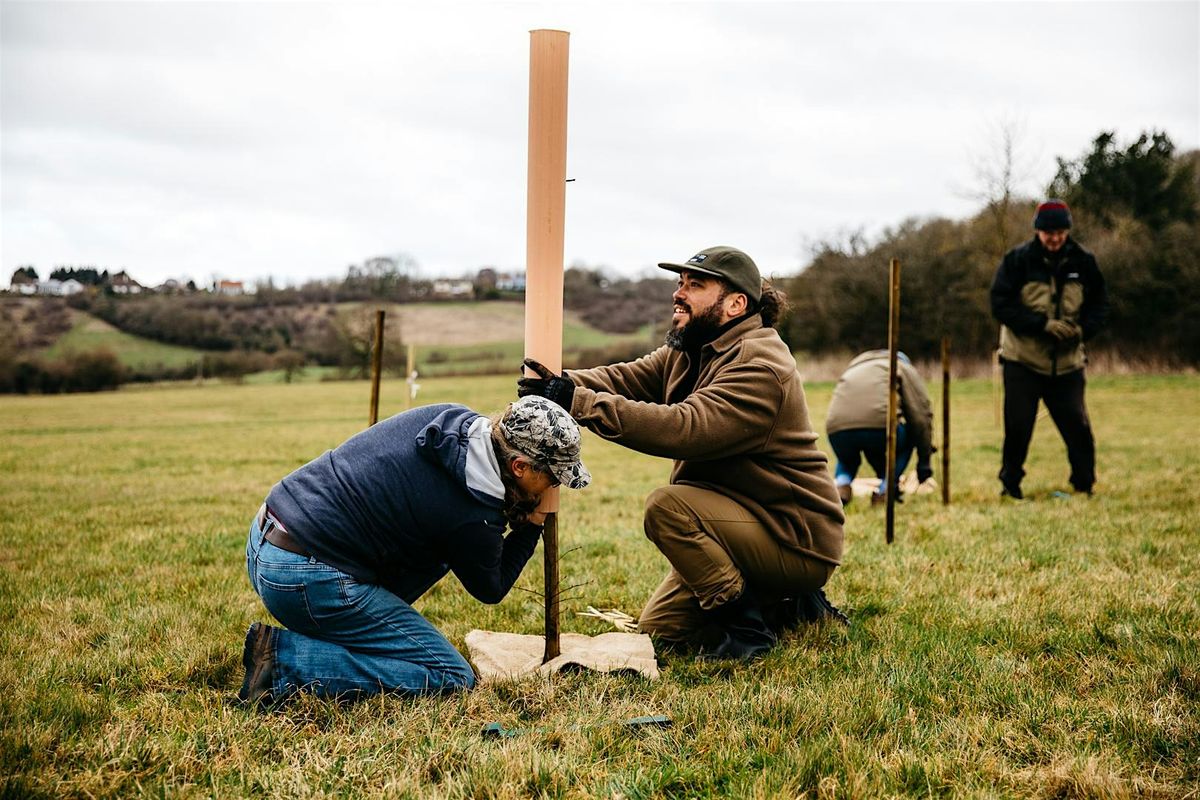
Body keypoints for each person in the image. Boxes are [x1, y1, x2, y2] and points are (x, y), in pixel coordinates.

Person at [519, 245, 846, 661]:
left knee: (667, 508)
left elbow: (685, 428)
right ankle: (788, 606)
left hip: (793, 536)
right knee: (663, 630)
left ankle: (750, 633)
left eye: (695, 285)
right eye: (680, 282)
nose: (679, 293)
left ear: (735, 304)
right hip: (736, 521)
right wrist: (557, 383)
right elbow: (624, 378)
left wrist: (578, 403)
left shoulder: (761, 364)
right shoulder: (690, 348)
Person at [237, 395, 590, 707]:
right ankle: (283, 661)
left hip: (268, 536)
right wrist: (530, 527)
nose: (555, 486)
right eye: (554, 478)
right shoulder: (470, 514)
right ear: (519, 467)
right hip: (305, 577)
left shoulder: (452, 423)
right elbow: (491, 587)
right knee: (450, 675)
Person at [990, 199, 1108, 500]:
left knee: (1077, 426)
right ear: (1037, 232)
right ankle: (1010, 485)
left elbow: (1100, 306)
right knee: (1018, 427)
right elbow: (1000, 304)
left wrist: (1081, 330)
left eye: (1060, 232)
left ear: (1067, 231)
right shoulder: (1017, 260)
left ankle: (1084, 484)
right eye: (1048, 233)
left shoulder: (1084, 262)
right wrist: (1040, 325)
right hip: (1022, 360)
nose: (1054, 238)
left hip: (1067, 363)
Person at [825, 350, 934, 506]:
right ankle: (886, 488)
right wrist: (924, 461)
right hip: (880, 427)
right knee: (908, 437)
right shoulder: (903, 367)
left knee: (846, 459)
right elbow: (920, 416)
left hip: (837, 427)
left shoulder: (854, 368)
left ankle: (842, 485)